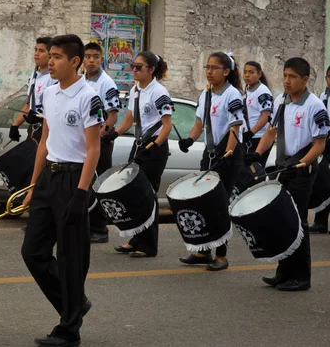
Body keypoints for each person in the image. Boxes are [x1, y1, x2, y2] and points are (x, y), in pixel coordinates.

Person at [21, 34, 102, 347]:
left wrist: (81, 194)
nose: (49, 62)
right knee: (33, 252)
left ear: (75, 62)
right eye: (49, 56)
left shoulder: (88, 97)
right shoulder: (49, 92)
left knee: (71, 258)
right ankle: (75, 304)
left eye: (56, 57)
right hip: (48, 179)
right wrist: (32, 185)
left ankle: (69, 329)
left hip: (73, 180)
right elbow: (44, 142)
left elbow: (93, 149)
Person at [245, 58, 329, 291]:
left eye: (292, 77)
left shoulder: (315, 106)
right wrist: (257, 152)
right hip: (284, 167)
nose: (286, 81)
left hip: (302, 169)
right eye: (284, 75)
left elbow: (319, 144)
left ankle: (301, 276)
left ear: (304, 79)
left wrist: (300, 164)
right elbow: (271, 131)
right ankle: (283, 272)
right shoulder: (281, 100)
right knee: (282, 220)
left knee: (298, 221)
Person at [177, 52, 244, 271]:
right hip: (211, 152)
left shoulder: (232, 95)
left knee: (220, 204)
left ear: (226, 71)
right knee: (203, 201)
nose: (209, 71)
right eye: (207, 67)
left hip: (228, 154)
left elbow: (235, 128)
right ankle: (203, 251)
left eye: (214, 68)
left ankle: (221, 256)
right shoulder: (206, 94)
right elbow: (200, 122)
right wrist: (189, 139)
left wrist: (228, 153)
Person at [102, 52, 172, 257]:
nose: (134, 69)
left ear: (151, 70)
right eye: (133, 66)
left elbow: (167, 125)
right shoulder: (135, 90)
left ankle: (148, 245)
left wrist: (155, 145)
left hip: (155, 147)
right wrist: (113, 133)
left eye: (139, 67)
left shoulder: (159, 92)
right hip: (140, 144)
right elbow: (130, 119)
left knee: (148, 195)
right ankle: (136, 238)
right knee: (135, 194)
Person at [83, 42, 120, 244]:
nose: (91, 60)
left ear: (101, 58)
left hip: (100, 142)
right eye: (87, 56)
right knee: (85, 184)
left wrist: (100, 136)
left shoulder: (107, 83)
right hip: (84, 142)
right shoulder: (81, 80)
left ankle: (100, 228)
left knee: (98, 185)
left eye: (95, 56)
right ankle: (86, 226)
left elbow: (112, 116)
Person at [10, 37, 57, 143]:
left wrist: (40, 117)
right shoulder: (34, 76)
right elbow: (29, 104)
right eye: (36, 50)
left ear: (50, 54)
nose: (36, 54)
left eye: (41, 51)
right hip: (34, 130)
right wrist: (15, 125)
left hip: (47, 132)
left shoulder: (53, 77)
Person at [309, 65, 330, 234]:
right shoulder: (323, 96)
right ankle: (321, 221)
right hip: (325, 143)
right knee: (323, 182)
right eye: (329, 76)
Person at [242, 61, 273, 165]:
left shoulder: (262, 91)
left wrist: (251, 133)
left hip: (258, 138)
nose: (247, 75)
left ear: (259, 74)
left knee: (255, 172)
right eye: (245, 72)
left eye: (251, 72)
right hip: (249, 138)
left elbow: (265, 116)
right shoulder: (248, 90)